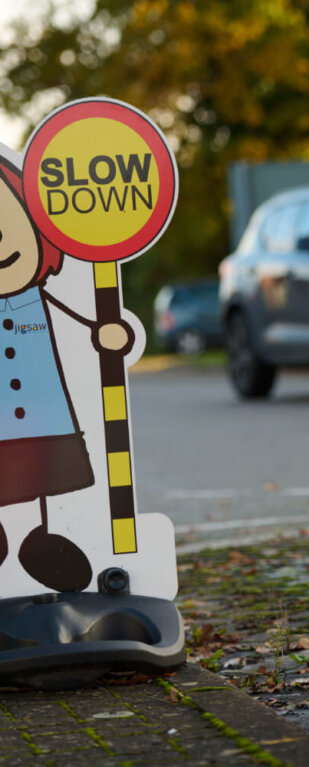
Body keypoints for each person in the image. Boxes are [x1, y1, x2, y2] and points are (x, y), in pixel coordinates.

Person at [0, 154, 132, 592]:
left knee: (41, 472)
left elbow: (87, 324)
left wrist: (109, 335)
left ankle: (41, 540)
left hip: (45, 416)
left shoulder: (37, 297)